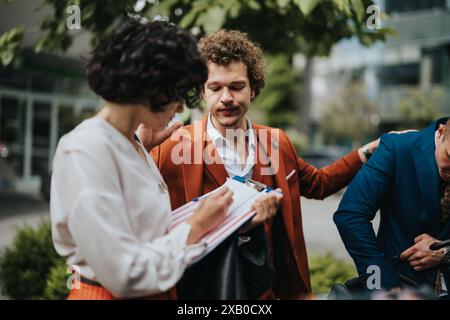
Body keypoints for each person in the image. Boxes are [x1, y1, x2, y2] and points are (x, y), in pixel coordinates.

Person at [144, 29, 381, 299]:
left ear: (253, 89)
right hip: (203, 290)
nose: (226, 98)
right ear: (202, 91)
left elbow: (318, 184)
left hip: (268, 290)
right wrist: (137, 146)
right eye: (215, 88)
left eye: (236, 86)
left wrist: (366, 152)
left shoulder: (276, 141)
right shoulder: (172, 147)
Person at [50, 20, 235, 300]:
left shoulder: (130, 142)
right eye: (177, 92)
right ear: (151, 86)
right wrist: (196, 225)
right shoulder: (86, 149)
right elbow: (125, 273)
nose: (181, 107)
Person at [334, 117, 450, 297]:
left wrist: (445, 252)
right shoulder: (398, 148)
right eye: (449, 156)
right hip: (400, 287)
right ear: (441, 132)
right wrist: (381, 285)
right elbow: (350, 216)